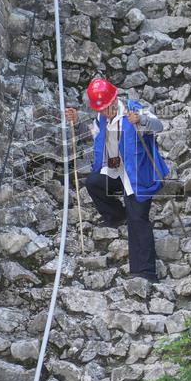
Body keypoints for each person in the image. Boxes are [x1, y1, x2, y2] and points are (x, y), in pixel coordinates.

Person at [65, 78, 168, 283]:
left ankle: (145, 272)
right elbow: (93, 134)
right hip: (115, 171)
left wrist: (140, 120)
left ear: (115, 98)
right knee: (94, 182)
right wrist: (77, 123)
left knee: (138, 219)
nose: (104, 112)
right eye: (100, 109)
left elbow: (159, 126)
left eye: (106, 107)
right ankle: (116, 215)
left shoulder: (133, 110)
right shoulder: (101, 118)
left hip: (138, 175)